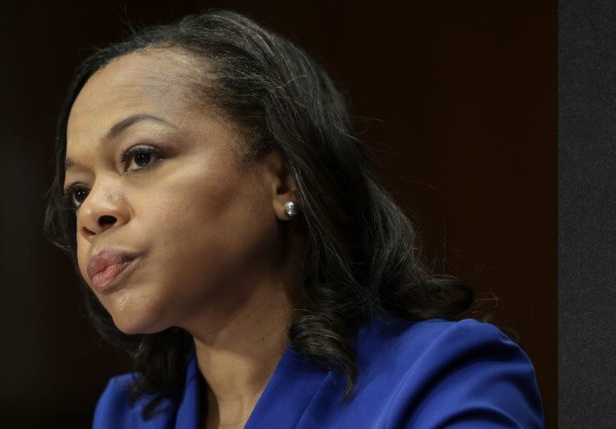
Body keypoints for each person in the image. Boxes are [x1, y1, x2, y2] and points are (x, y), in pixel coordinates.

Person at [44, 10, 544, 429]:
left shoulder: (444, 377)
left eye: (142, 156)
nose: (92, 211)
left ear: (283, 178)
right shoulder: (133, 414)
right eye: (78, 190)